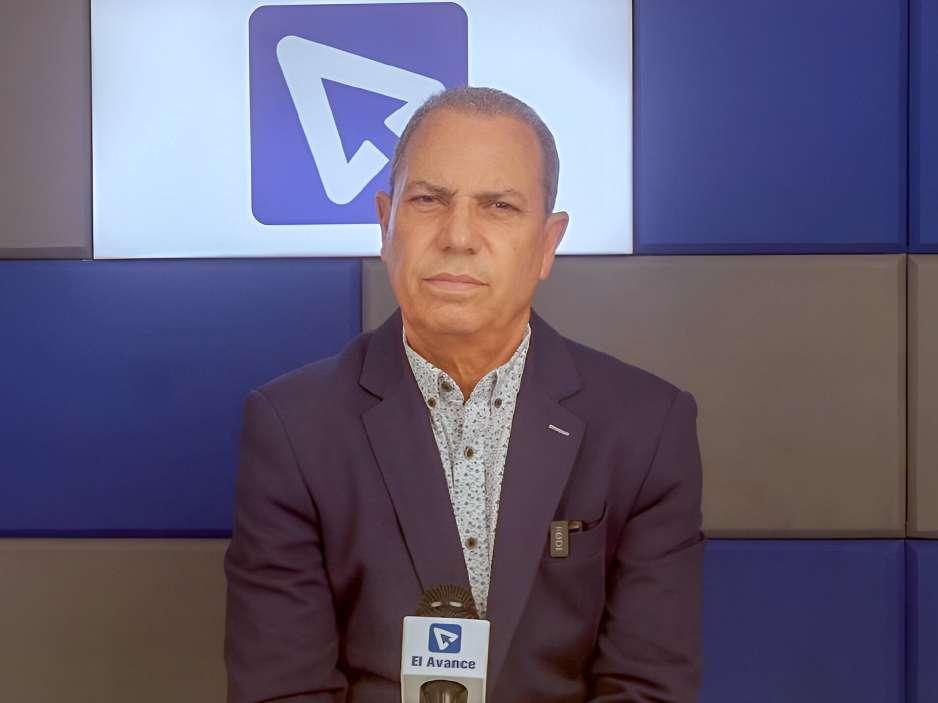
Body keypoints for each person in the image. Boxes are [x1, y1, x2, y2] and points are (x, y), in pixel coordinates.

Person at [224, 86, 705, 702]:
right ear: (385, 223)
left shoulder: (646, 426)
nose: (458, 236)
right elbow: (282, 688)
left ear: (548, 243)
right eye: (428, 200)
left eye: (499, 206)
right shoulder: (294, 427)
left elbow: (648, 687)